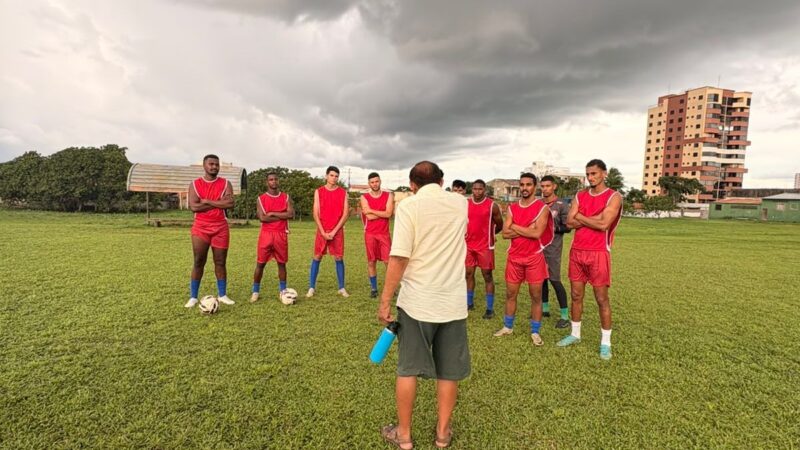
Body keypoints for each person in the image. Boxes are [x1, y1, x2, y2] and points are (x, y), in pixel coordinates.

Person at [377, 161, 469, 450]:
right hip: (453, 302)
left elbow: (400, 257)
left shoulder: (409, 207)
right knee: (449, 371)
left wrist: (385, 299)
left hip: (416, 302)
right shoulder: (460, 204)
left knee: (407, 369)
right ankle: (442, 434)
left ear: (412, 184)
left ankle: (404, 436)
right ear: (441, 181)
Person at [559, 159, 622, 360]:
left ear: (604, 174)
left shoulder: (614, 196)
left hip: (598, 253)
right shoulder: (580, 195)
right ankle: (575, 334)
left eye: (594, 173)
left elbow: (604, 224)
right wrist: (593, 218)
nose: (591, 177)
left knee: (601, 299)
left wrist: (582, 217)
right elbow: (569, 221)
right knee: (576, 295)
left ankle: (606, 343)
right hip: (577, 251)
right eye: (588, 174)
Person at [493, 173, 554, 346]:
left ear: (535, 186)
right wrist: (527, 228)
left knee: (536, 296)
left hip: (534, 258)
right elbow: (505, 234)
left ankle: (535, 331)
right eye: (522, 185)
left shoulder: (542, 208)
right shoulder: (512, 208)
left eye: (528, 184)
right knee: (510, 294)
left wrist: (515, 226)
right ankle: (508, 327)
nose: (524, 188)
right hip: (514, 258)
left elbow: (537, 234)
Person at [185, 154, 236, 308]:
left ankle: (222, 295)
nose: (214, 167)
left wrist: (206, 201)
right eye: (211, 164)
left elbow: (230, 203)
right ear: (204, 165)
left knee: (220, 262)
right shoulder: (195, 184)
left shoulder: (226, 183)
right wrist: (219, 203)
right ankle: (193, 297)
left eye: (216, 164)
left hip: (220, 227)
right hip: (201, 227)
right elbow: (194, 207)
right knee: (199, 261)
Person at [250, 172, 295, 303]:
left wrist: (273, 213)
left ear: (278, 181)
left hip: (281, 234)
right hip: (266, 234)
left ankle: (283, 291)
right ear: (267, 182)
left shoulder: (286, 197)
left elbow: (290, 214)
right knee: (260, 264)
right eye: (271, 179)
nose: (273, 181)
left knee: (282, 264)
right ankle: (255, 291)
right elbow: (263, 218)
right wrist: (282, 214)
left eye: (276, 179)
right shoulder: (261, 198)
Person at [307, 166, 350, 298]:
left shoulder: (343, 192)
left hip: (337, 231)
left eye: (336, 176)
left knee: (339, 257)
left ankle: (341, 288)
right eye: (331, 175)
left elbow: (345, 214)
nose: (334, 178)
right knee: (317, 256)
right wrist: (323, 231)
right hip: (322, 230)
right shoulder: (318, 191)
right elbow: (315, 213)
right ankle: (311, 288)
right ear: (326, 176)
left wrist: (335, 231)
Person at [464, 179, 503, 319]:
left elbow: (500, 225)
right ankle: (469, 303)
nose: (477, 192)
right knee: (468, 274)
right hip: (468, 245)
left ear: (485, 190)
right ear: (472, 189)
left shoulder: (492, 206)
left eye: (480, 189)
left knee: (487, 275)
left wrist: (491, 235)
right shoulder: (466, 204)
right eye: (474, 189)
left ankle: (490, 308)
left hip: (485, 246)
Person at [539, 175, 571, 328]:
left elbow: (568, 227)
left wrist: (552, 228)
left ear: (554, 187)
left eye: (548, 186)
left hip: (553, 249)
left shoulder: (562, 205)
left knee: (555, 280)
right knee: (541, 279)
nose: (545, 189)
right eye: (543, 186)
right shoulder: (538, 204)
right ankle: (544, 310)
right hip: (538, 248)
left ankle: (564, 316)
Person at [360, 172, 394, 298]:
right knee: (371, 261)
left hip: (384, 234)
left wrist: (372, 211)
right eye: (372, 182)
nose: (375, 184)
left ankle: (391, 287)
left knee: (388, 262)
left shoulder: (388, 195)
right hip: (370, 234)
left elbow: (389, 214)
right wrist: (382, 213)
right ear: (369, 183)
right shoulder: (364, 197)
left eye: (377, 181)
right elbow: (368, 216)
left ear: (380, 181)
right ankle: (374, 288)